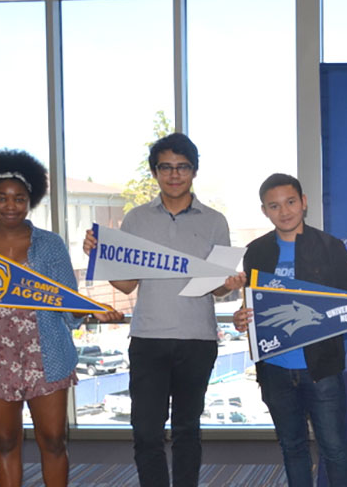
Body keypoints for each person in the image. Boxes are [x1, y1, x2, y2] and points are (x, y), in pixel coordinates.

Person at [0, 150, 122, 487]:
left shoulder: (50, 245)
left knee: (54, 441)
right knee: (3, 442)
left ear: (31, 201)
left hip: (46, 356)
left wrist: (90, 309)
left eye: (19, 198)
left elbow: (68, 305)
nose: (10, 205)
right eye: (1, 197)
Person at [232, 173, 347, 487]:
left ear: (303, 202)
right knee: (292, 448)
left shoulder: (330, 247)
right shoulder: (256, 252)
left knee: (335, 450)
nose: (284, 211)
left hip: (322, 369)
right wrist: (241, 319)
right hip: (274, 369)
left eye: (291, 202)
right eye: (274, 206)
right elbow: (253, 306)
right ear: (264, 211)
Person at [83, 133, 245, 487]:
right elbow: (127, 285)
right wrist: (99, 256)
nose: (174, 175)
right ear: (155, 172)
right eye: (166, 167)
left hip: (198, 339)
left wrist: (228, 284)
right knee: (145, 432)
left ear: (194, 171)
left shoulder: (215, 220)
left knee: (188, 430)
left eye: (182, 167)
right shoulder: (137, 219)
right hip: (148, 338)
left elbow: (217, 288)